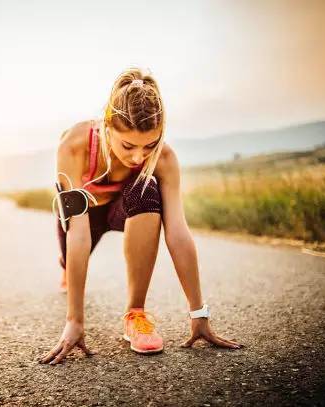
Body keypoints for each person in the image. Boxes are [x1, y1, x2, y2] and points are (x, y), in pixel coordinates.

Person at [40, 67, 243, 365]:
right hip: (88, 213)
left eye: (150, 145)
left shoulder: (165, 159)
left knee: (146, 189)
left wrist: (199, 313)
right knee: (70, 256)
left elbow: (177, 232)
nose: (138, 156)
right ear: (108, 127)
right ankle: (65, 269)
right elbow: (78, 233)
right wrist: (75, 321)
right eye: (128, 145)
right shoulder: (73, 145)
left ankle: (135, 314)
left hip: (125, 208)